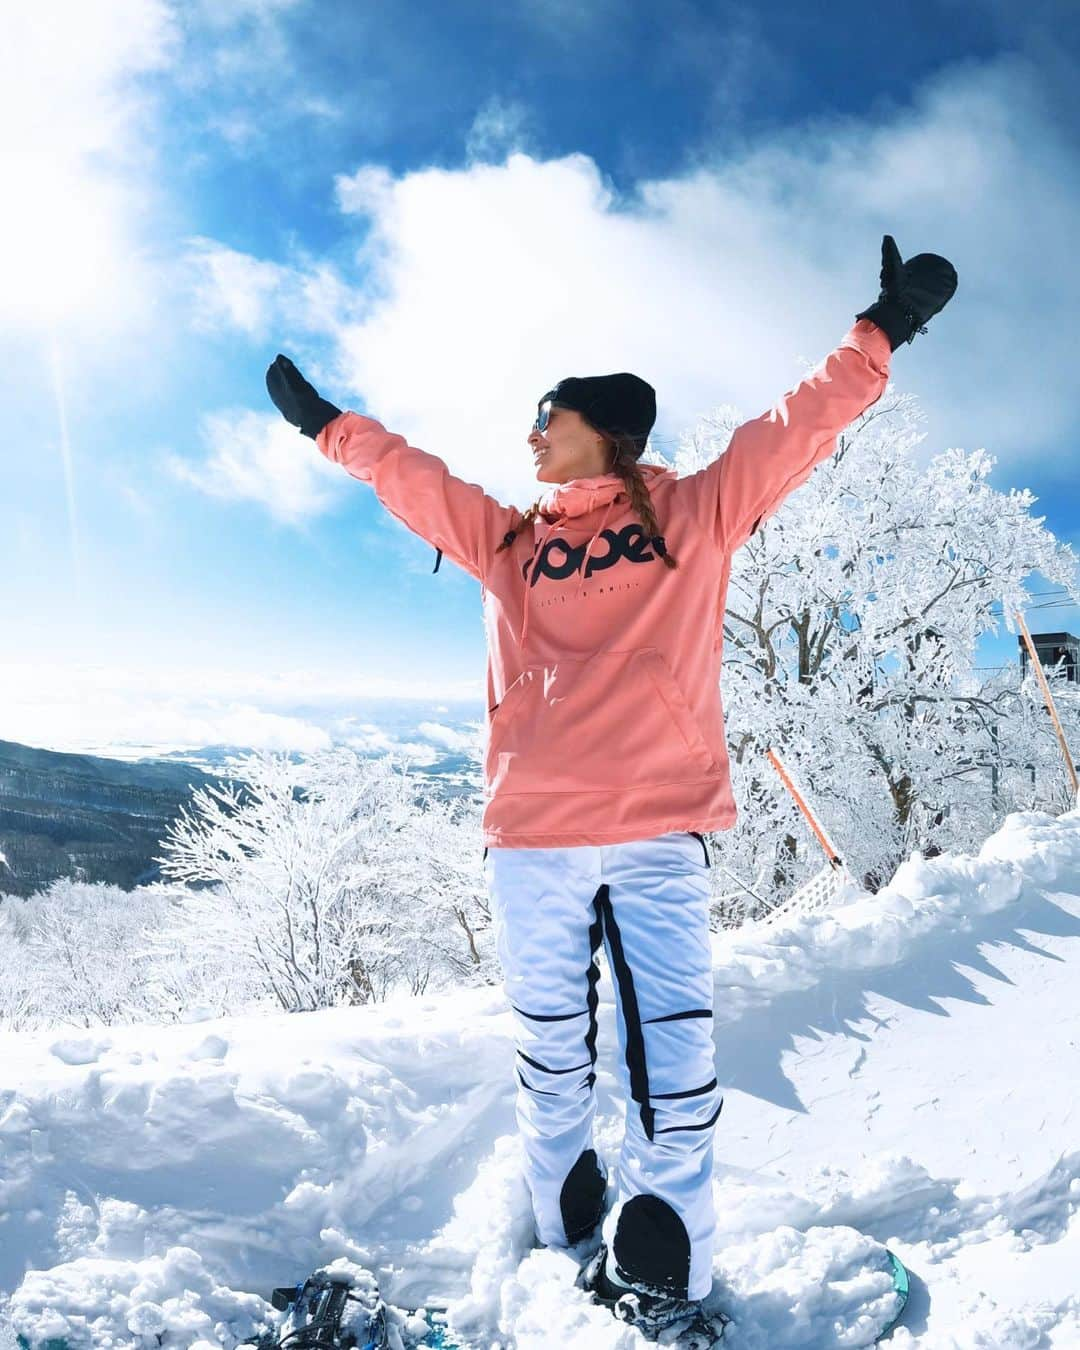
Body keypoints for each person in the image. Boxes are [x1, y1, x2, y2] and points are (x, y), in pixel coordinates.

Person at [266, 234, 957, 1338]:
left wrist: (880, 332)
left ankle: (665, 1272)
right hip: (532, 839)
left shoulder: (693, 515)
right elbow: (415, 481)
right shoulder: (509, 544)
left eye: (550, 416)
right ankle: (560, 1228)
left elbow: (796, 427)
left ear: (607, 431)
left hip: (652, 833)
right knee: (549, 1055)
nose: (532, 434)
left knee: (672, 1067)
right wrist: (329, 428)